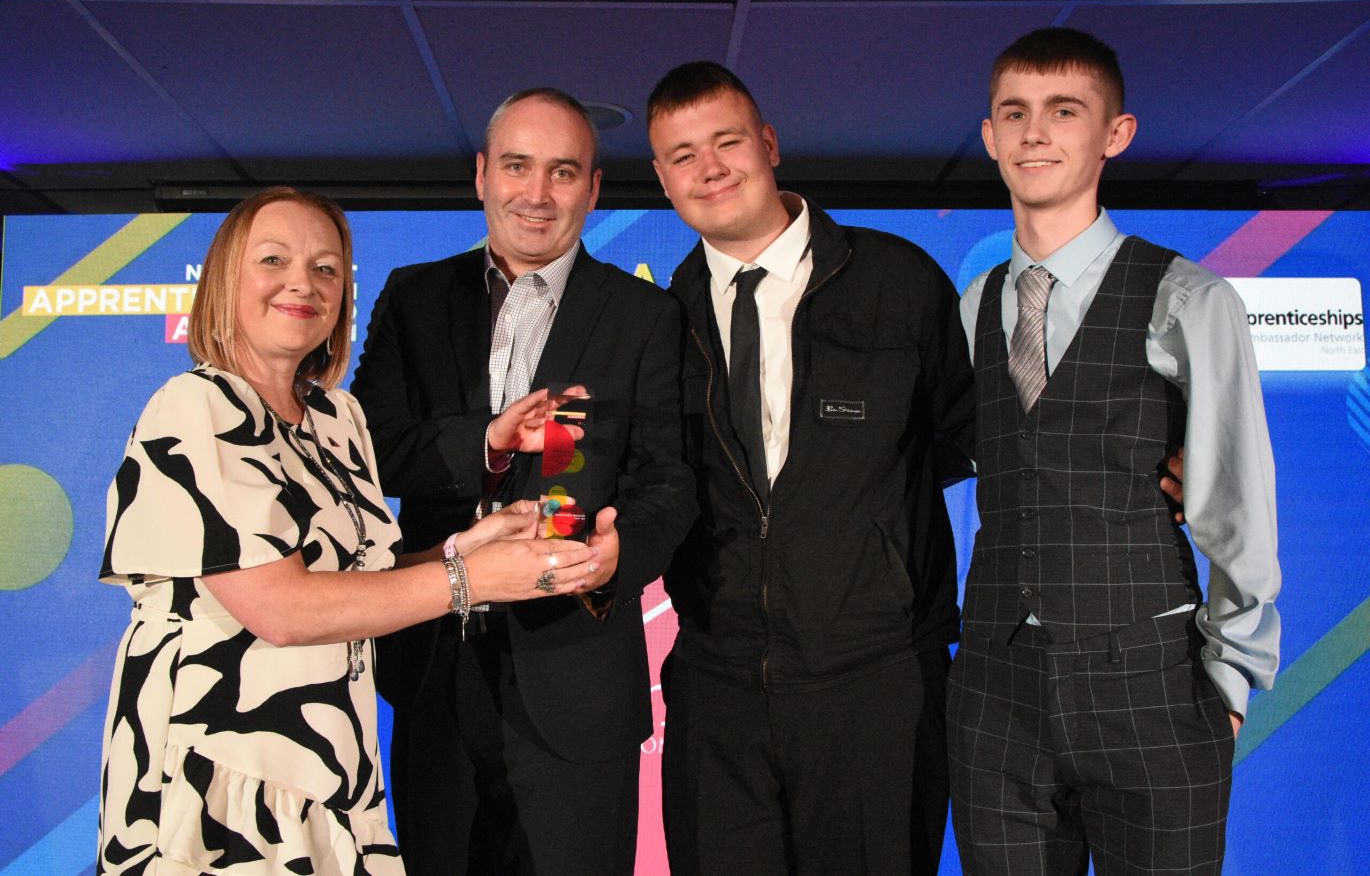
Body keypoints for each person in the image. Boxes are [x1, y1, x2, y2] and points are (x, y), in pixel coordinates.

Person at [96, 187, 599, 874]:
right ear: (224, 281)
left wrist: (470, 545)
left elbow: (360, 582)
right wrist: (470, 580)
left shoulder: (339, 419)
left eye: (326, 268)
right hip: (222, 771)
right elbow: (283, 608)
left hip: (334, 767)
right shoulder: (195, 407)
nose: (303, 283)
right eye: (273, 260)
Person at [950, 27, 1281, 875]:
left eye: (1064, 111)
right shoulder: (975, 303)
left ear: (1115, 133)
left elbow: (1236, 502)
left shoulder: (1188, 297)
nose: (1034, 133)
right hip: (994, 690)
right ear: (988, 134)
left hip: (1152, 687)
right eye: (1014, 113)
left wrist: (1231, 683)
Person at [350, 89, 695, 875]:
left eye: (563, 172)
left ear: (593, 189)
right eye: (517, 166)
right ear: (482, 175)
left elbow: (670, 482)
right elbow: (374, 449)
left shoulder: (645, 314)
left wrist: (617, 560)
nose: (537, 194)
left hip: (580, 679)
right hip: (435, 671)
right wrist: (489, 442)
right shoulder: (413, 296)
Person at [646, 61, 976, 875]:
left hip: (876, 683)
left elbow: (974, 437)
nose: (709, 168)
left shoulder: (898, 280)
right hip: (716, 688)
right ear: (661, 177)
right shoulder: (656, 319)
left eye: (727, 141)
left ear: (769, 144)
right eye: (683, 155)